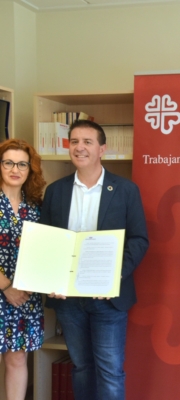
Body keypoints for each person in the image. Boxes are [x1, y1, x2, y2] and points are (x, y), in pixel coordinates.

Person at [40, 119, 149, 400]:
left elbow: (139, 240)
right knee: (81, 367)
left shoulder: (125, 190)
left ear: (102, 149)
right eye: (74, 142)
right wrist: (49, 278)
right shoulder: (55, 191)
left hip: (107, 299)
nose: (79, 148)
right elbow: (47, 243)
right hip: (68, 299)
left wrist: (112, 276)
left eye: (87, 142)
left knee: (110, 370)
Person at [0, 139, 46, 400]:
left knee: (17, 360)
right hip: (4, 288)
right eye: (8, 162)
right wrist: (7, 287)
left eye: (22, 164)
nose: (15, 169)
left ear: (30, 170)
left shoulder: (36, 207)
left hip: (25, 295)